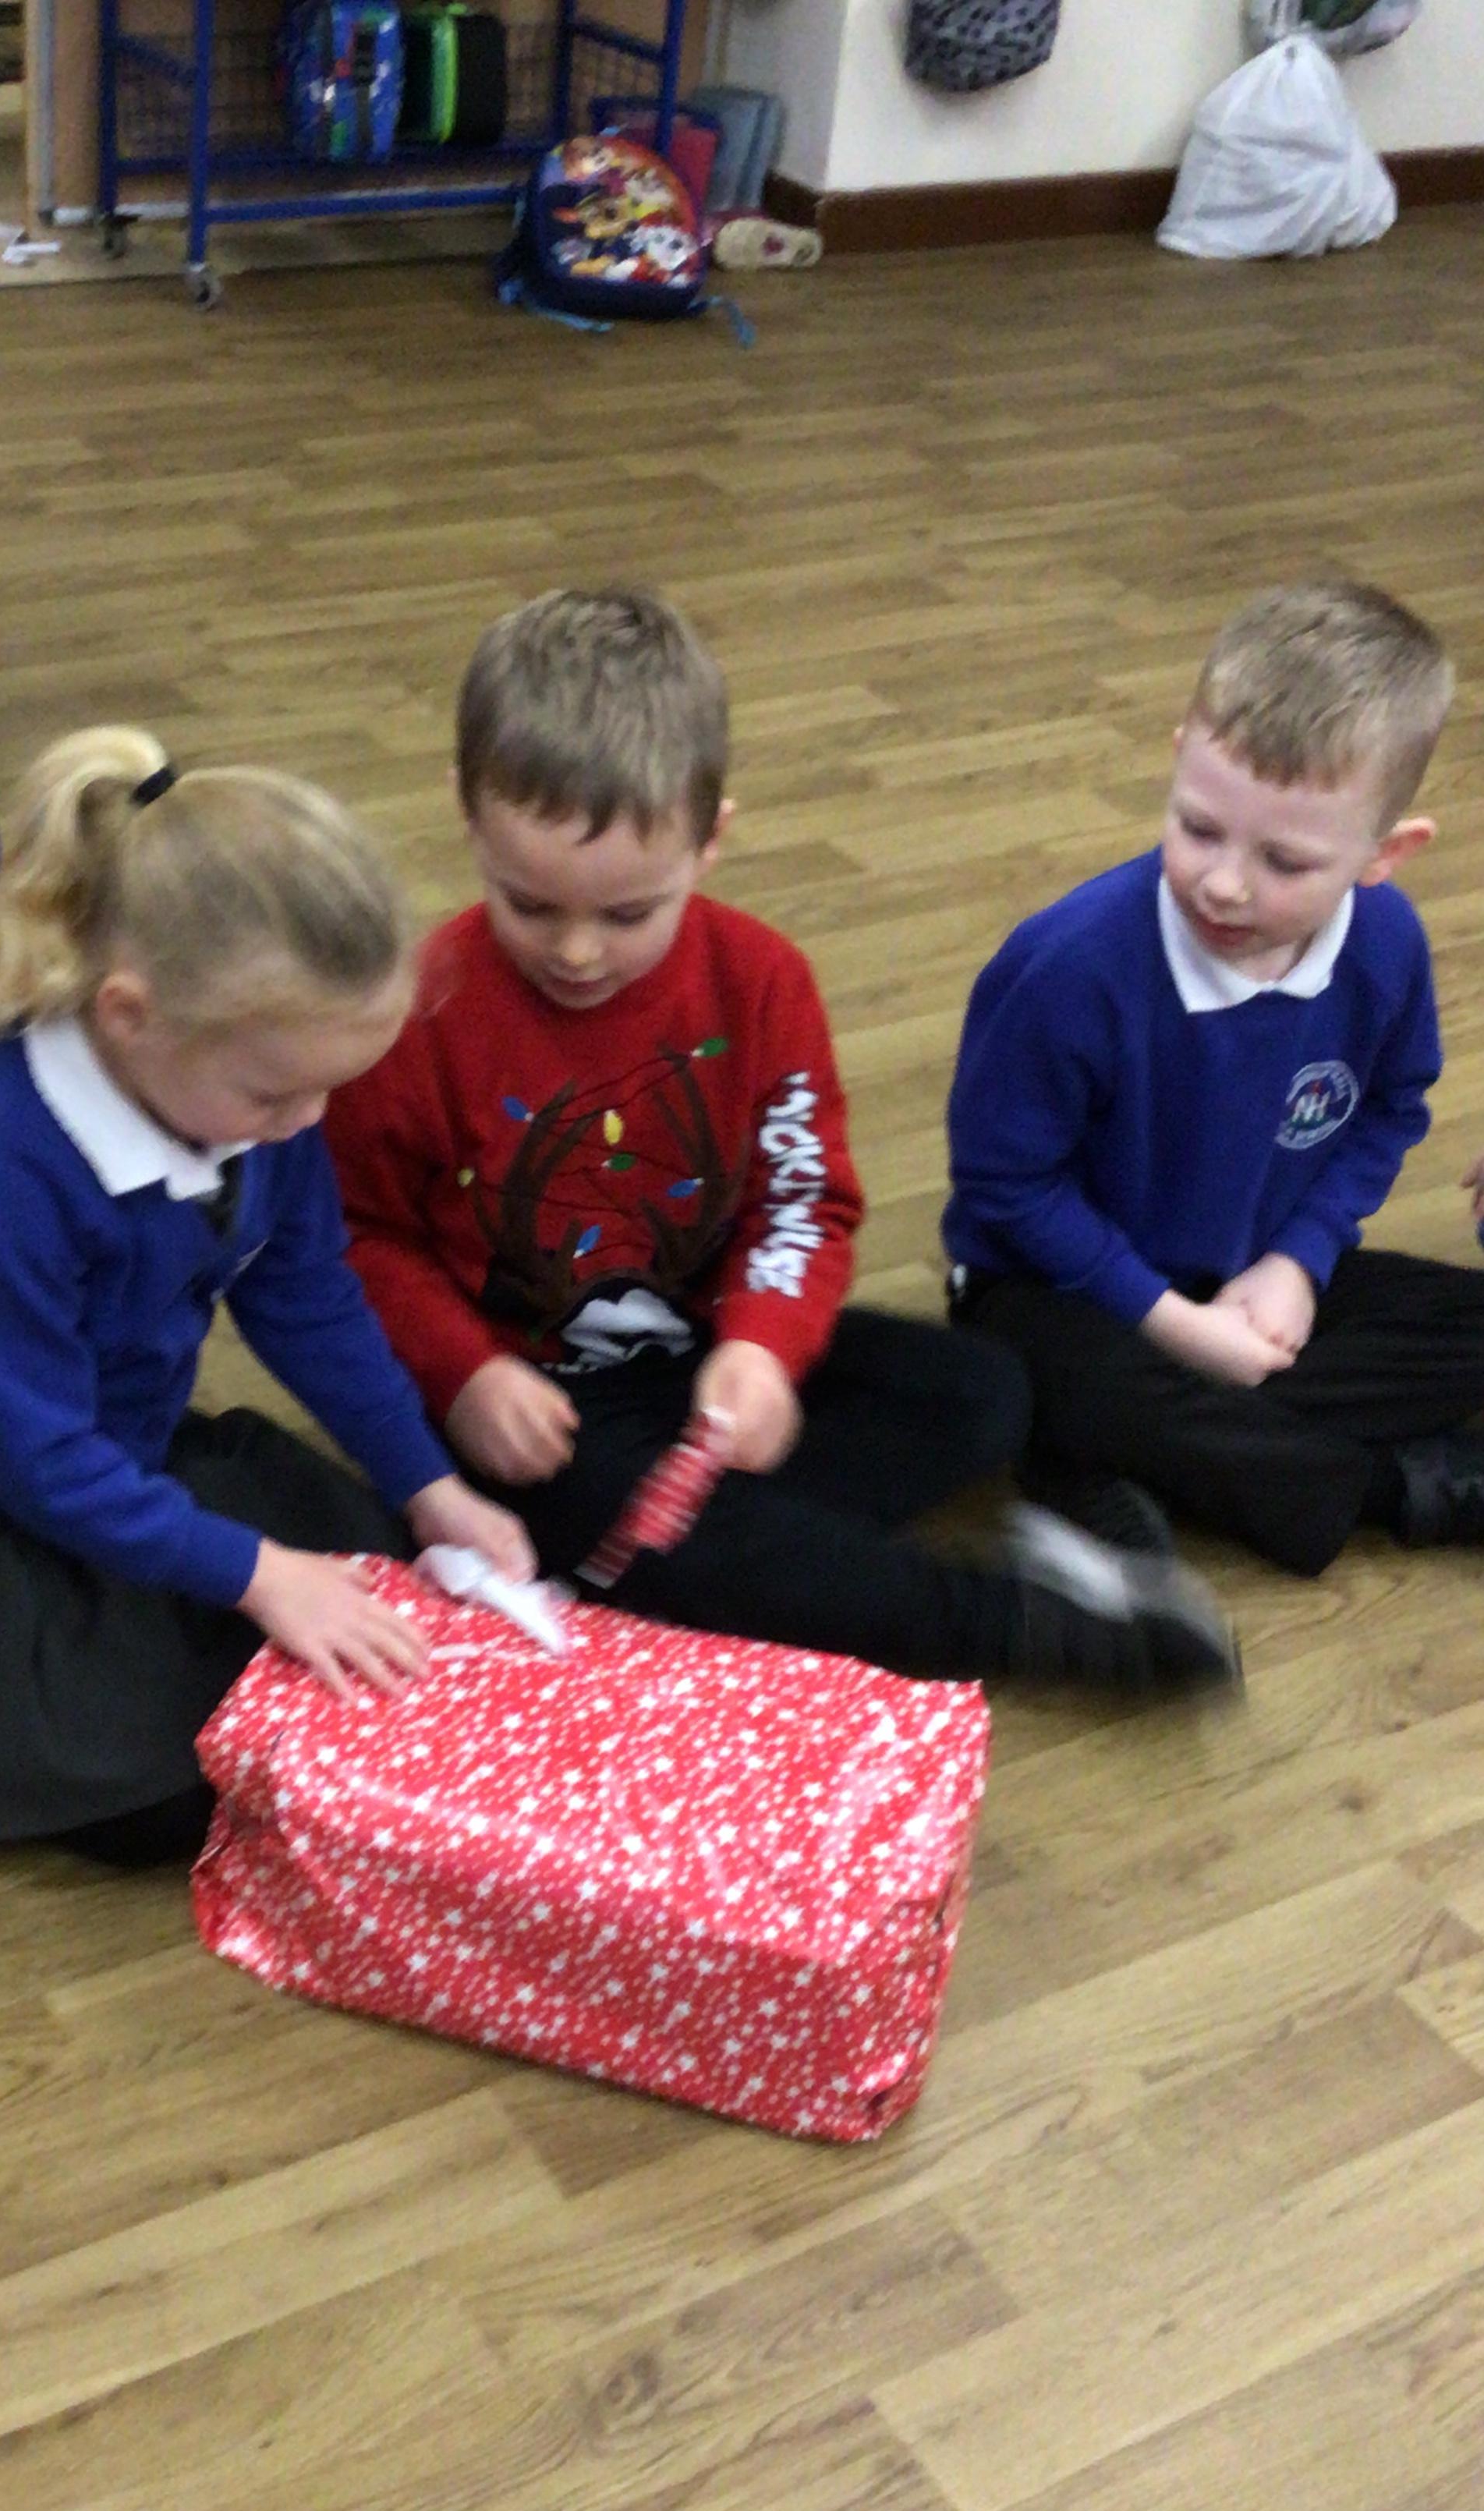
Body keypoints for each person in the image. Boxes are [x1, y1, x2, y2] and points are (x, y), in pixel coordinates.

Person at [324, 587, 1237, 1692]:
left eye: (627, 914)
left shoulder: (761, 983)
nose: (577, 953)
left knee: (983, 1395)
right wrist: (464, 1375)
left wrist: (763, 1347)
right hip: (540, 1411)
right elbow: (357, 1240)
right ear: (468, 817)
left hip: (704, 1364)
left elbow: (801, 1202)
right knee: (633, 1516)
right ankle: (1011, 1624)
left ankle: (692, 1564)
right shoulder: (415, 1013)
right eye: (531, 906)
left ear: (712, 837)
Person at [0, 728, 531, 1864]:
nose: (307, 1125)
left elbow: (308, 1295)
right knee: (170, 1787)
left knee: (385, 1579)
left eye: (326, 1092)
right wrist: (261, 1576)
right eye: (276, 1096)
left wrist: (428, 1483)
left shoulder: (255, 1089)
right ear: (129, 1014)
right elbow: (37, 1462)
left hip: (120, 1455)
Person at [944, 577, 1484, 1578]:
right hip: (1065, 1290)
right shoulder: (1066, 967)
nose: (1225, 883)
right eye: (1198, 828)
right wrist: (1175, 1327)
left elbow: (1389, 1109)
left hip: (1246, 1271)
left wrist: (1299, 1262)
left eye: (1285, 861)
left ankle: (1128, 1456)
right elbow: (1005, 1189)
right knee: (1037, 1378)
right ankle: (1403, 1489)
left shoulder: (1387, 949)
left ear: (1385, 854)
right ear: (1178, 757)